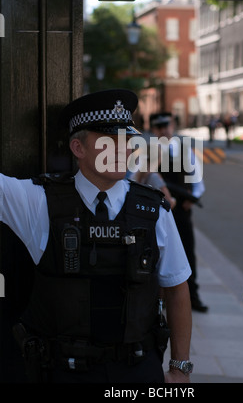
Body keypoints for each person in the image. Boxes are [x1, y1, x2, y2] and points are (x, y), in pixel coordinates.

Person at [0, 89, 193, 384]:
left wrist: (180, 368)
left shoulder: (154, 210)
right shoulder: (38, 202)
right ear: (78, 148)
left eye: (127, 140)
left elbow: (177, 288)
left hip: (137, 371)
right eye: (108, 142)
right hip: (62, 372)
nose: (122, 150)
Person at [149, 112, 208, 313]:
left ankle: (192, 295)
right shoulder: (150, 152)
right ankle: (159, 298)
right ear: (154, 130)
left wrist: (193, 199)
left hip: (182, 210)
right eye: (160, 127)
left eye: (167, 126)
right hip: (158, 211)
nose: (164, 130)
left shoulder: (185, 150)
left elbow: (198, 181)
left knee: (187, 252)